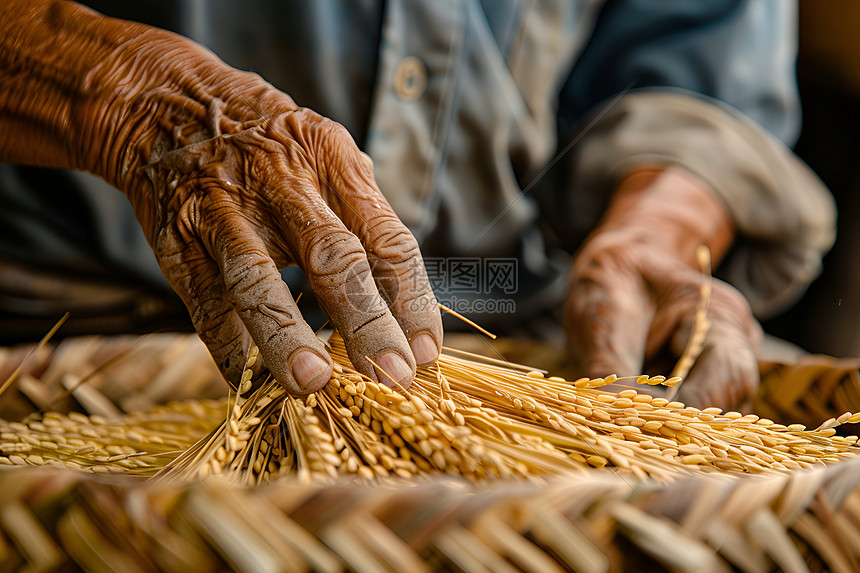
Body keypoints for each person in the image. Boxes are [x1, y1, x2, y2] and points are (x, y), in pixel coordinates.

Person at [0, 0, 835, 409]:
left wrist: (647, 239)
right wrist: (133, 101)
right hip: (70, 317)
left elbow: (696, 76)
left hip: (506, 313)